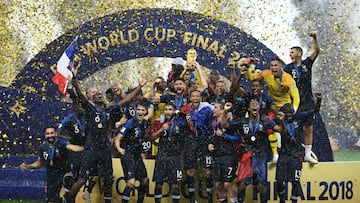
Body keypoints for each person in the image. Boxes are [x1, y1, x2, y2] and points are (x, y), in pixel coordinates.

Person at [67, 65, 147, 203]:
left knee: (108, 178)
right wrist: (74, 79)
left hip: (104, 150)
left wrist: (139, 87)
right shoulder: (90, 109)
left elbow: (127, 100)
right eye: (95, 93)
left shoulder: (109, 111)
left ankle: (108, 201)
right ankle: (69, 200)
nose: (98, 94)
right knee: (82, 179)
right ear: (91, 97)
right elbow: (80, 94)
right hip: (91, 149)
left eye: (99, 93)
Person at [19, 126, 84, 203]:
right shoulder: (42, 147)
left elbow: (72, 147)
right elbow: (39, 162)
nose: (50, 135)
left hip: (64, 174)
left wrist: (85, 148)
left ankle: (68, 197)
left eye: (52, 133)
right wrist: (28, 166)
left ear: (56, 134)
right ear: (45, 135)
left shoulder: (61, 143)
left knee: (68, 181)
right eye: (48, 133)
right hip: (51, 179)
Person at [283, 31, 321, 164]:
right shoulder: (287, 68)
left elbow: (317, 51)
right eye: (290, 53)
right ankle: (292, 153)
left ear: (299, 53)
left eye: (292, 52)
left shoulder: (306, 64)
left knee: (309, 127)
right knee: (295, 128)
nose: (290, 54)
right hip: (295, 103)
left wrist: (315, 38)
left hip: (308, 101)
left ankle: (307, 154)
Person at [236, 100, 281, 203]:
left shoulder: (265, 121)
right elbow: (226, 125)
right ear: (248, 109)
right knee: (242, 184)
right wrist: (225, 113)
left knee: (262, 185)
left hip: (261, 155)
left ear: (259, 108)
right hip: (247, 155)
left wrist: (280, 120)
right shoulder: (243, 121)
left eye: (257, 104)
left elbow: (278, 129)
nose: (255, 106)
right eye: (252, 105)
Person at [275, 103, 317, 203]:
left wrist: (319, 101)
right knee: (279, 181)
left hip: (296, 156)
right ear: (283, 114)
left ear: (294, 113)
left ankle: (294, 201)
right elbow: (268, 123)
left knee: (295, 181)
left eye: (291, 114)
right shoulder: (279, 120)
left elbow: (314, 111)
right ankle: (282, 199)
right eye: (287, 114)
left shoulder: (299, 118)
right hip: (284, 155)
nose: (289, 116)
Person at [147, 103, 187, 203]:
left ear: (174, 111)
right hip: (162, 156)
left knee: (175, 184)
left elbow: (185, 140)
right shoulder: (159, 122)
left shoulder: (181, 123)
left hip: (175, 157)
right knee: (159, 183)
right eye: (166, 109)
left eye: (170, 109)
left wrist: (181, 155)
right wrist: (161, 129)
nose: (168, 111)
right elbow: (151, 137)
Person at [179, 90, 214, 203]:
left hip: (204, 142)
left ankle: (210, 199)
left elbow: (211, 127)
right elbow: (181, 127)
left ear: (201, 98)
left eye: (197, 96)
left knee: (207, 171)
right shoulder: (184, 111)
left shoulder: (207, 110)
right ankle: (192, 200)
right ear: (190, 98)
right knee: (190, 172)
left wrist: (210, 141)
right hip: (191, 142)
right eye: (193, 96)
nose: (195, 98)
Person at [114, 102, 151, 203]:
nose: (140, 112)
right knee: (131, 182)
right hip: (128, 154)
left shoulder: (144, 123)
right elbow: (118, 137)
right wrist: (119, 148)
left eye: (143, 110)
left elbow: (145, 137)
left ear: (146, 112)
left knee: (144, 181)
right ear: (135, 111)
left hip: (137, 155)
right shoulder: (130, 122)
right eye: (138, 109)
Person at [208, 102, 240, 203]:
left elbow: (237, 138)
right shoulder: (213, 124)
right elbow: (213, 137)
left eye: (216, 108)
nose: (214, 109)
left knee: (228, 184)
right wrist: (210, 144)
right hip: (217, 156)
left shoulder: (230, 122)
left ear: (222, 111)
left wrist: (224, 135)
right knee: (218, 184)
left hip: (229, 156)